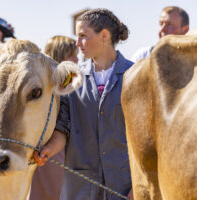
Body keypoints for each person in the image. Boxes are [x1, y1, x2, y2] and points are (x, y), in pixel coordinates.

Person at [34, 8, 133, 200]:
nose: (77, 43)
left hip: (125, 189)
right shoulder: (71, 79)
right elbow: (63, 129)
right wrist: (49, 150)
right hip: (80, 190)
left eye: (83, 36)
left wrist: (138, 187)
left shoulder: (135, 75)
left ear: (104, 35)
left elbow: (147, 140)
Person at [30, 35, 78, 200]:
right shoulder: (51, 84)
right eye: (72, 55)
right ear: (61, 56)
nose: (77, 59)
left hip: (57, 151)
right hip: (50, 152)